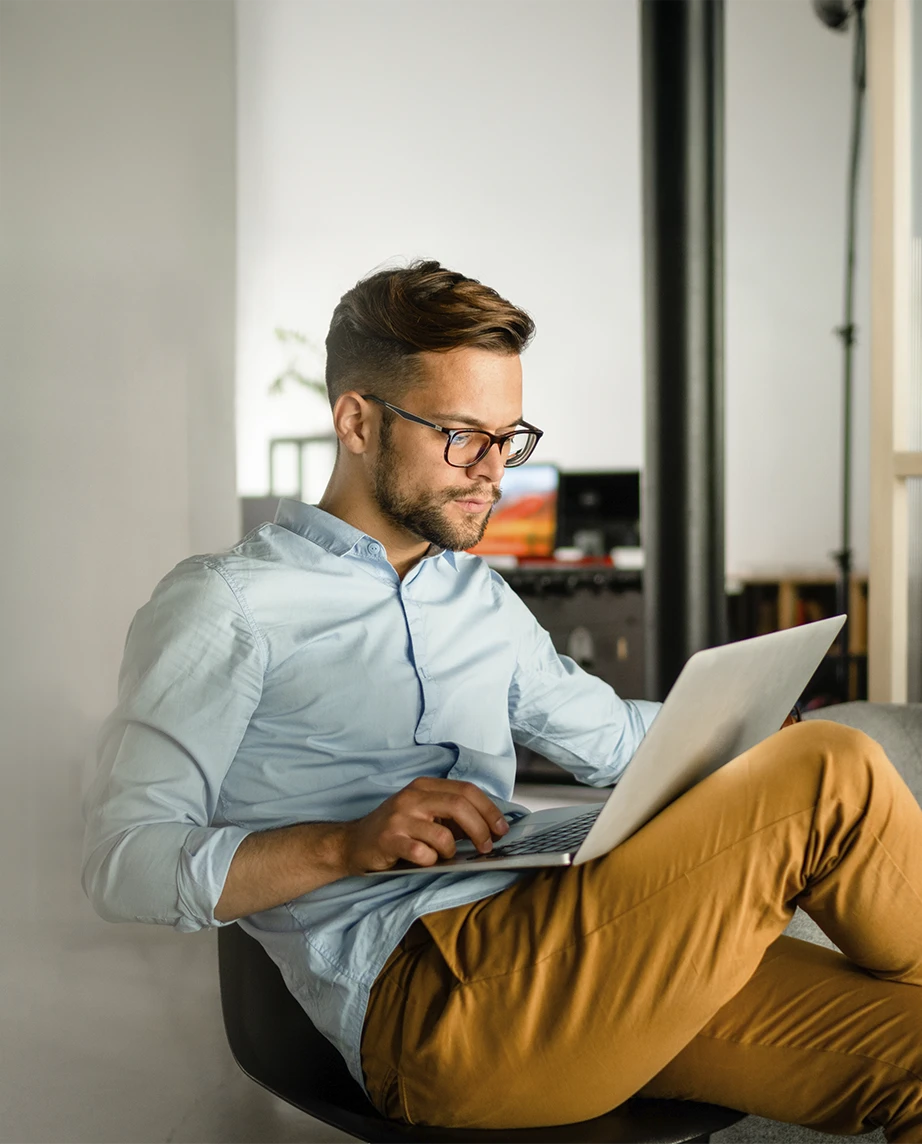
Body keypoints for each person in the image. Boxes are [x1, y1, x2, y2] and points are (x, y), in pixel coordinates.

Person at [83, 260, 922, 1140]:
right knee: (834, 767)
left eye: (508, 437)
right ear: (358, 421)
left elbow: (611, 740)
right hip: (433, 1001)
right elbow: (124, 863)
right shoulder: (228, 604)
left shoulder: (475, 597)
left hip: (569, 938)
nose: (495, 472)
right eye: (461, 436)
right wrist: (346, 843)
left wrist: (742, 729)